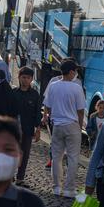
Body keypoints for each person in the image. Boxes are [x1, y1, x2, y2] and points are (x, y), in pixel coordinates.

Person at [43, 60, 86, 197]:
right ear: (72, 72)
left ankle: (56, 187)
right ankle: (69, 189)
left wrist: (51, 116)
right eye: (75, 71)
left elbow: (47, 107)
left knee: (56, 157)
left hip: (57, 125)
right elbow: (80, 111)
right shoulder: (77, 88)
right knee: (73, 158)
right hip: (72, 125)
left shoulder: (54, 86)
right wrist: (79, 127)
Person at [13, 67, 41, 187]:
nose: (25, 80)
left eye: (28, 78)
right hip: (12, 130)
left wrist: (38, 129)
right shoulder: (13, 93)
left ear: (31, 79)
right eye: (23, 77)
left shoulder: (35, 95)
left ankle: (20, 178)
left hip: (28, 130)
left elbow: (37, 113)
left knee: (24, 154)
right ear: (19, 77)